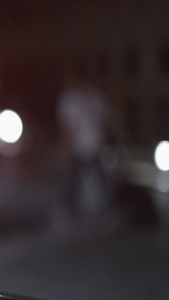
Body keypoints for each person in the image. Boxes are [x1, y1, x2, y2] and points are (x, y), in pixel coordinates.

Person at [55, 70, 116, 228]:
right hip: (94, 143)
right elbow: (105, 121)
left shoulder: (72, 98)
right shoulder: (95, 96)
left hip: (82, 145)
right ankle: (107, 210)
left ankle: (68, 211)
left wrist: (64, 150)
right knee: (88, 178)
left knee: (75, 179)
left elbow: (67, 128)